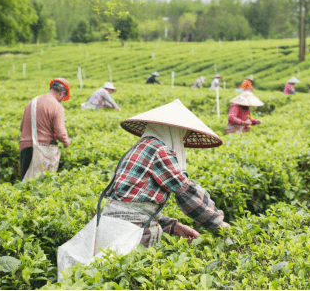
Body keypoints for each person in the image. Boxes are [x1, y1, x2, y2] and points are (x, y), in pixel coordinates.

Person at [100, 99, 230, 247]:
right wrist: (218, 223)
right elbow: (186, 192)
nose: (184, 136)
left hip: (113, 226)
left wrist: (173, 226)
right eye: (183, 132)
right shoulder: (159, 150)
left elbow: (134, 206)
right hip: (132, 232)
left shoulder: (141, 146)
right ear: (173, 130)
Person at [20, 78, 71, 181]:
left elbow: (22, 126)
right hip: (42, 151)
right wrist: (67, 143)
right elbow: (60, 133)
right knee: (40, 186)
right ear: (62, 93)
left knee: (25, 186)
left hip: (25, 147)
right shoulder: (57, 106)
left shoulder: (32, 101)